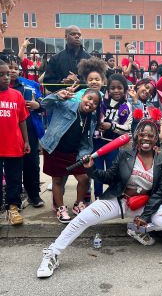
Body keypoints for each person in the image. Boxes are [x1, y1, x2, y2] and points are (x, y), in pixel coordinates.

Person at [37, 119, 162, 278]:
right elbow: (109, 176)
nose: (146, 138)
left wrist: (145, 217)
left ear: (156, 137)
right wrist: (91, 169)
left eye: (150, 135)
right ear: (136, 136)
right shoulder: (125, 155)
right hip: (117, 200)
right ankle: (52, 254)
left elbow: (159, 192)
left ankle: (136, 229)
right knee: (82, 218)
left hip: (142, 205)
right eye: (142, 134)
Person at [40, 88, 100, 223]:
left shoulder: (91, 117)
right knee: (58, 180)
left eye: (95, 102)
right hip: (55, 149)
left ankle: (78, 204)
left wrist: (84, 154)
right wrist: (57, 96)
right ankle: (60, 208)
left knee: (84, 179)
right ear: (82, 97)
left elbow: (85, 139)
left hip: (74, 153)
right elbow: (44, 105)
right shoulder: (67, 104)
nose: (91, 103)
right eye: (89, 98)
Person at [7, 55, 44, 207]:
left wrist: (38, 105)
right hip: (8, 133)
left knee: (32, 165)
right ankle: (13, 200)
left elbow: (44, 103)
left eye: (16, 68)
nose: (13, 71)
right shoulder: (3, 88)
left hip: (30, 131)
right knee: (13, 168)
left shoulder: (31, 85)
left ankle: (34, 196)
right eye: (10, 68)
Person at [0, 59, 30, 224]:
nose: (6, 77)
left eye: (7, 74)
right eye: (1, 74)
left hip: (14, 145)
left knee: (14, 178)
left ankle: (13, 207)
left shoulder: (16, 95)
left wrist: (26, 141)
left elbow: (22, 120)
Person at [94, 73, 133, 198]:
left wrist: (112, 126)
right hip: (97, 142)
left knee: (113, 171)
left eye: (120, 88)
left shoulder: (127, 106)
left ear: (125, 89)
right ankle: (98, 197)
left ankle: (111, 196)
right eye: (113, 88)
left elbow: (127, 129)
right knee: (97, 171)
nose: (116, 90)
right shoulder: (101, 102)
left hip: (114, 143)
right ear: (108, 89)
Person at [43, 26, 90, 92]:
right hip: (62, 98)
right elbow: (47, 82)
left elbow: (98, 82)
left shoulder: (90, 59)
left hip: (86, 98)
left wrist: (79, 82)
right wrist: (63, 83)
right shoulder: (55, 59)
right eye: (73, 34)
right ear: (66, 37)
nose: (77, 36)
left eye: (79, 34)